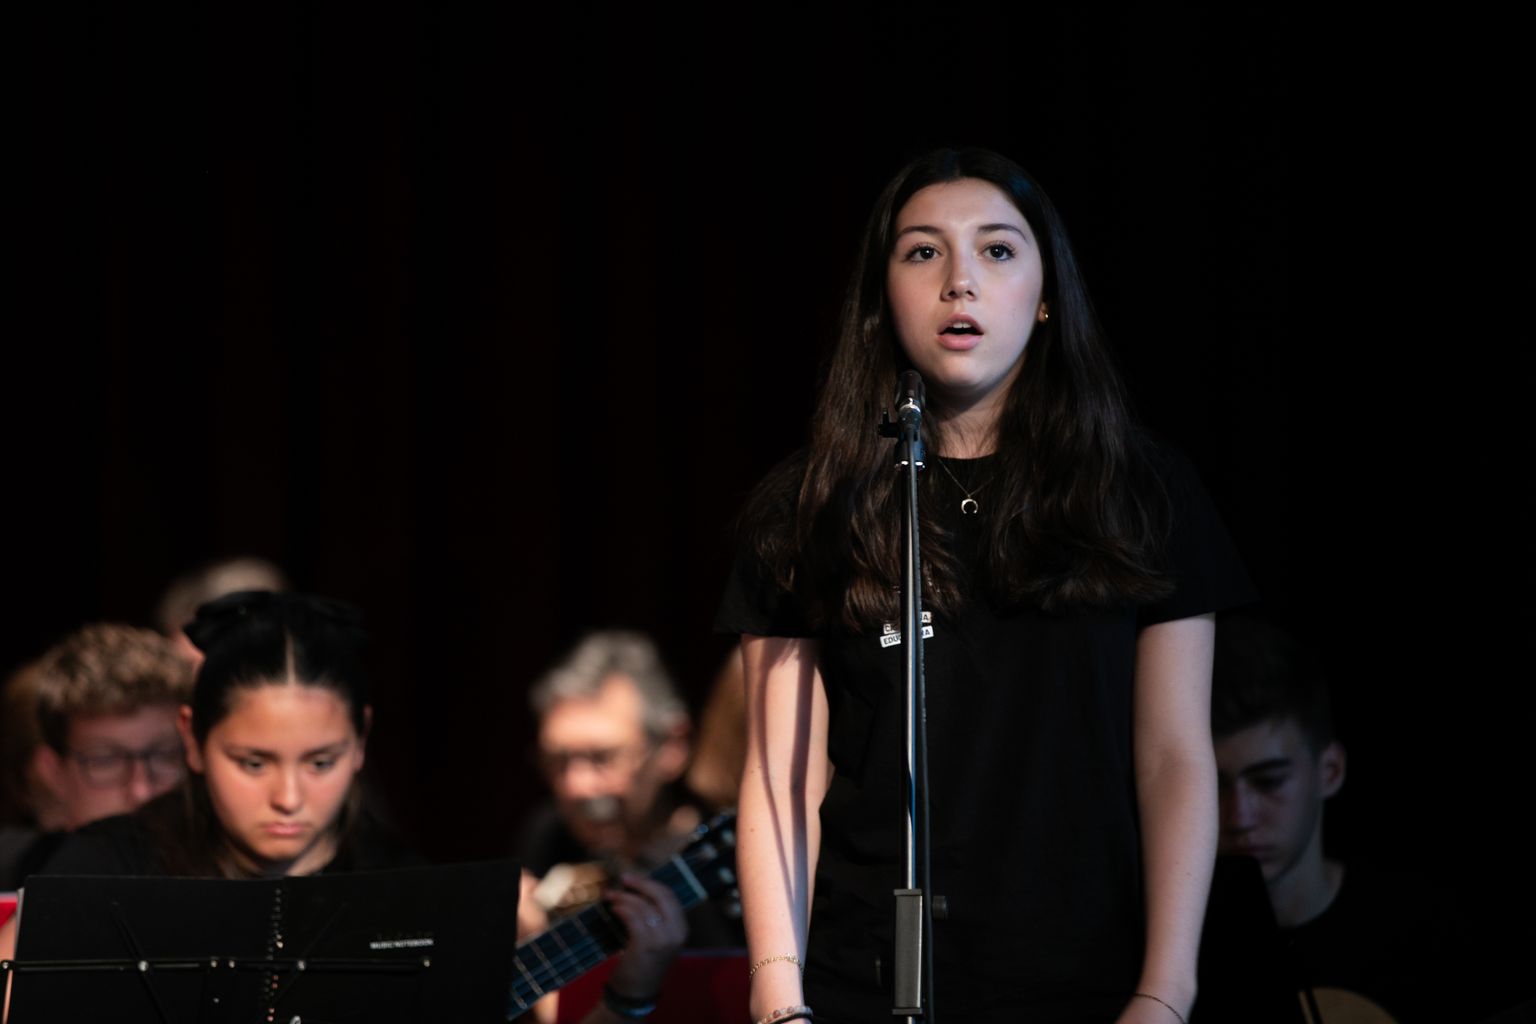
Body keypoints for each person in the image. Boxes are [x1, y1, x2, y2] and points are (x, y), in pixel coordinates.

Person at [716, 147, 1256, 1024]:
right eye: (923, 252)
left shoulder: (1142, 489)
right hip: (869, 980)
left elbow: (1173, 759)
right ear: (881, 296)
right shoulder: (811, 506)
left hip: (1089, 977)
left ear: (1046, 295)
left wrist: (1165, 991)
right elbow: (779, 780)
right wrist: (779, 997)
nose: (959, 281)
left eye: (997, 251)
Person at [1208, 611, 1477, 1023]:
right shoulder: (1170, 960)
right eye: (1214, 785)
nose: (1239, 816)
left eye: (1269, 781)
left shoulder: (1428, 937)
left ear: (1330, 771)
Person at [515, 631, 741, 1022]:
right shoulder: (549, 836)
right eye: (558, 760)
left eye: (602, 758)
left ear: (672, 747)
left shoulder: (721, 859)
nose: (576, 786)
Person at [0, 623, 193, 889]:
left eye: (165, 755)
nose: (141, 790)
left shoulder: (238, 875)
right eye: (105, 760)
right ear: (53, 772)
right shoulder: (10, 873)